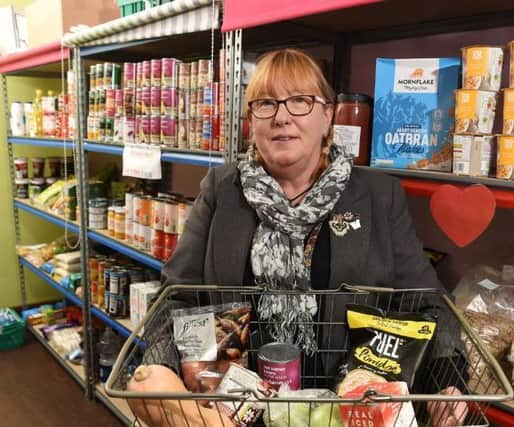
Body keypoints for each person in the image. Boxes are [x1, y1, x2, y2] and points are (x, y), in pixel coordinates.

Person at [160, 48, 468, 426]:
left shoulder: (376, 195)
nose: (282, 116)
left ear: (327, 117)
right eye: (266, 103)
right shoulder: (221, 189)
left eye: (300, 101)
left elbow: (429, 301)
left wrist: (448, 381)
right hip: (237, 409)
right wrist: (162, 372)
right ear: (250, 120)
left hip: (345, 409)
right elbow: (178, 292)